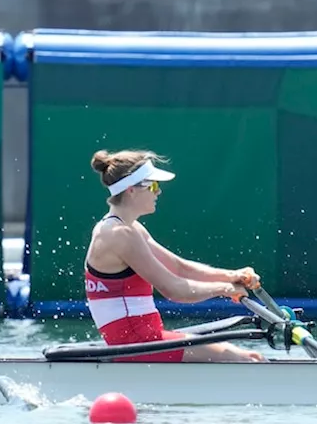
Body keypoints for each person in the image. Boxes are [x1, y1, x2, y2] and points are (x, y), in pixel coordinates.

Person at [84, 148, 267, 363]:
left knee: (247, 355)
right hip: (136, 344)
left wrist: (233, 275)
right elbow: (175, 289)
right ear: (132, 190)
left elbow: (180, 268)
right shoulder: (119, 235)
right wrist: (224, 289)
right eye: (153, 185)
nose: (158, 192)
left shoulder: (131, 229)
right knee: (245, 359)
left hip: (144, 339)